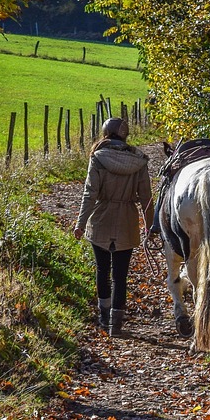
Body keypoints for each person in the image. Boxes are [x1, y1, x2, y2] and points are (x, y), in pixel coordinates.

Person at [73, 117, 153, 337]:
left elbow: (90, 194)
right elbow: (146, 197)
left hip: (101, 217)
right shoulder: (138, 161)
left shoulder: (98, 158)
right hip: (127, 219)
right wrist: (150, 226)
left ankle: (103, 316)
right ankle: (116, 325)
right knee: (120, 274)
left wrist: (80, 224)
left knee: (102, 270)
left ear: (105, 133)